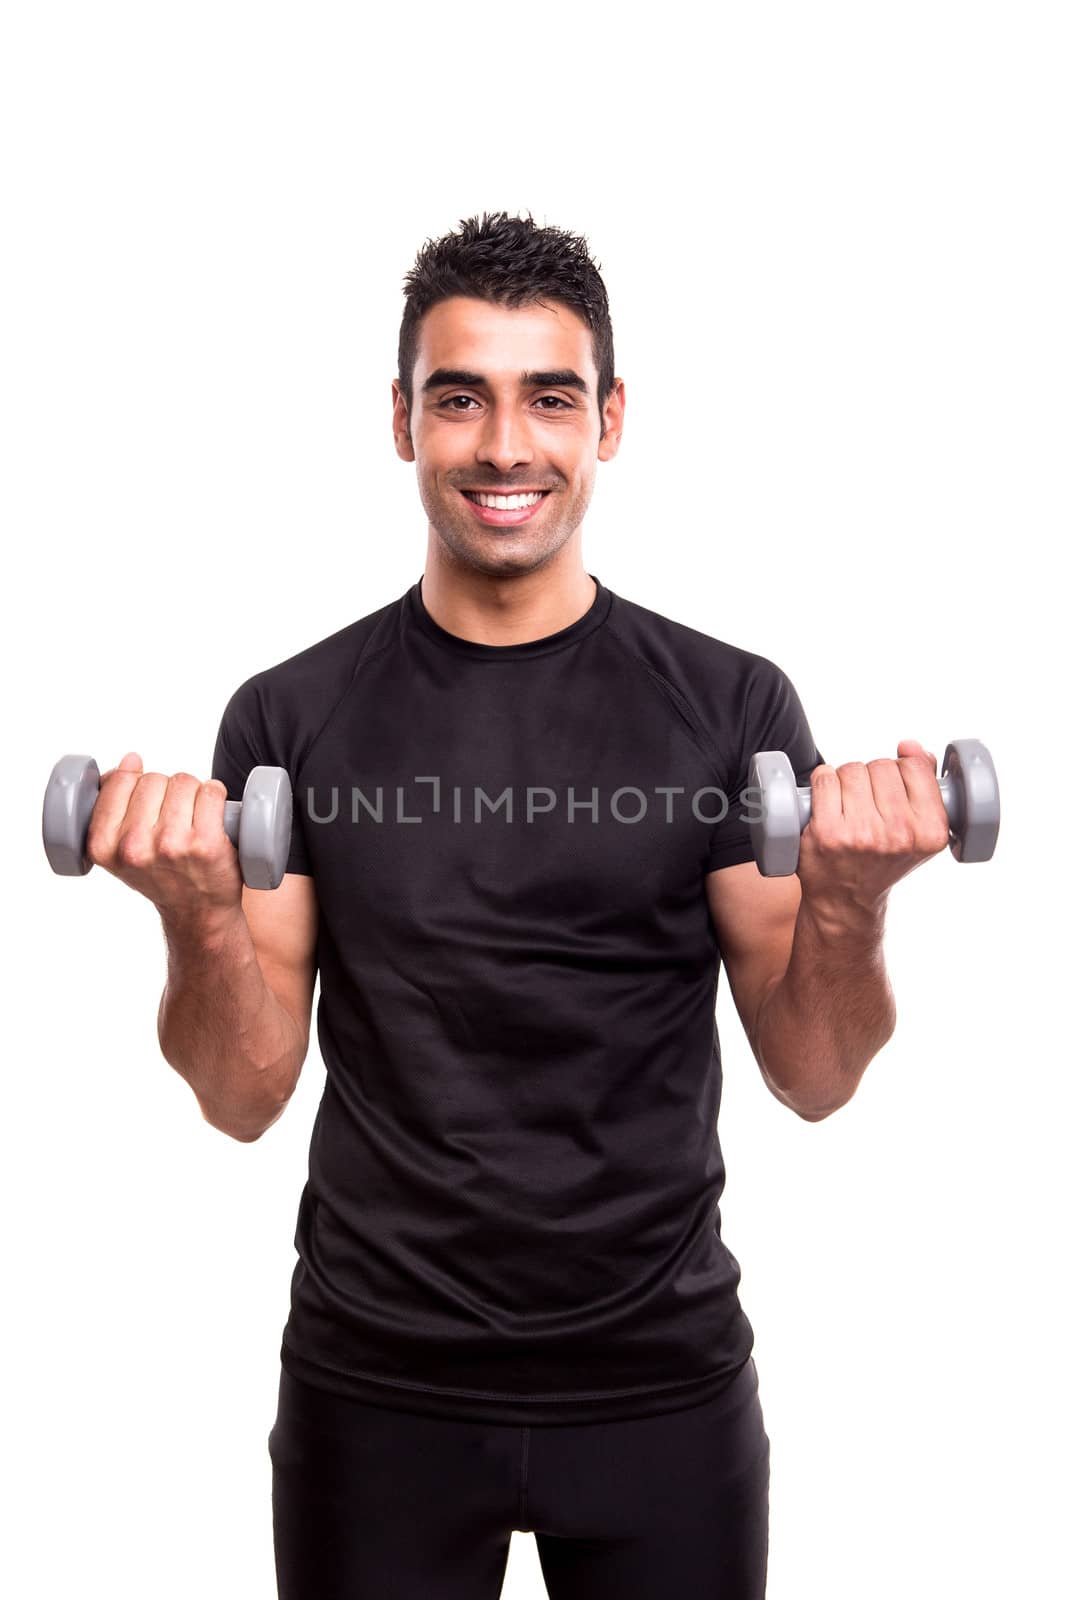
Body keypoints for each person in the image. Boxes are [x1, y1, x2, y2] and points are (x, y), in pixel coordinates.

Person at [90, 211, 952, 1599]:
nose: (504, 446)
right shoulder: (292, 717)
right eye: (460, 398)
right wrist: (194, 912)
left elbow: (816, 1074)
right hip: (378, 1385)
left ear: (610, 419)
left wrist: (846, 899)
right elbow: (245, 1090)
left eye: (549, 398)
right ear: (400, 421)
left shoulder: (731, 709)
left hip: (660, 1387)